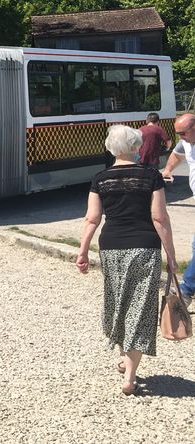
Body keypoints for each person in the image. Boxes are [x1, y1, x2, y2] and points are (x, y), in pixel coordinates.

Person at [76, 125, 176, 396]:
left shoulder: (100, 178)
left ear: (110, 148)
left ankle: (124, 357)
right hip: (144, 246)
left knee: (119, 301)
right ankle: (130, 376)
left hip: (111, 247)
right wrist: (171, 254)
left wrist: (83, 251)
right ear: (136, 147)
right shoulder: (151, 176)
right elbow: (160, 218)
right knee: (141, 307)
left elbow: (91, 219)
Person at [162, 113, 195, 300]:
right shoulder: (186, 143)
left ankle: (187, 289)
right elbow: (177, 154)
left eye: (183, 133)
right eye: (178, 134)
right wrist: (167, 170)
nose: (180, 137)